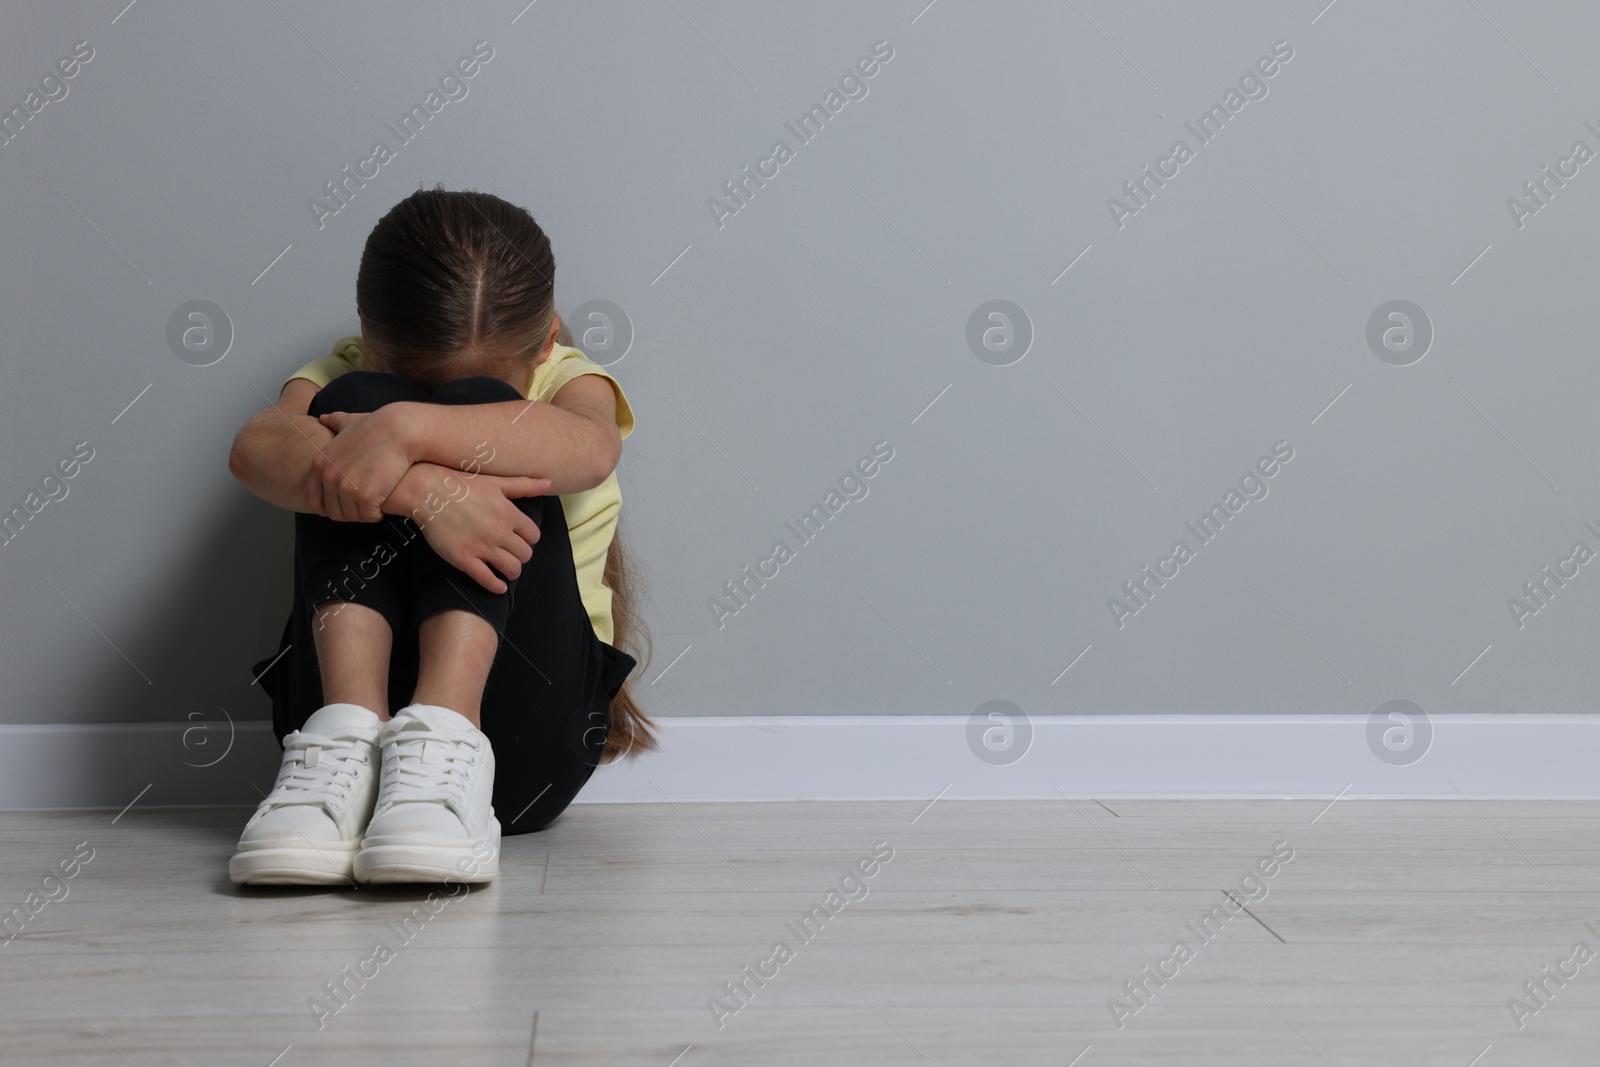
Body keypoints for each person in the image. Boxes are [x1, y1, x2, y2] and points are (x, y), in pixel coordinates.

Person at [225, 186, 654, 887]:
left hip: (518, 747)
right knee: (348, 408)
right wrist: (424, 491)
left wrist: (408, 430)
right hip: (335, 758)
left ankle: (445, 736)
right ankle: (347, 734)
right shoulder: (345, 371)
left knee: (469, 415)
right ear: (364, 334)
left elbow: (590, 447)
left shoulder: (568, 381)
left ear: (546, 339)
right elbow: (255, 449)